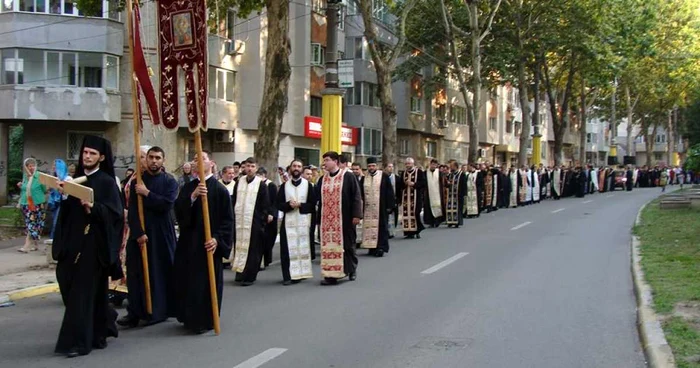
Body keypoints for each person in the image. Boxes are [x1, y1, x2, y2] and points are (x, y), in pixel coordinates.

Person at [52, 135, 123, 357]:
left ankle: (79, 343)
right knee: (65, 280)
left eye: (92, 154)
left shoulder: (107, 182)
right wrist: (64, 196)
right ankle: (104, 320)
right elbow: (67, 216)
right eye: (85, 153)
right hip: (72, 243)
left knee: (81, 295)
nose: (87, 157)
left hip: (94, 245)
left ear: (101, 157)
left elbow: (115, 215)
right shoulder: (75, 179)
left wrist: (93, 207)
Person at [117, 147, 178, 328]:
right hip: (140, 234)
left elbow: (166, 205)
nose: (153, 161)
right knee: (136, 273)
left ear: (163, 161)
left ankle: (159, 311)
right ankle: (135, 311)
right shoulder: (138, 181)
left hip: (161, 233)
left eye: (157, 158)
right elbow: (133, 211)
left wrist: (147, 194)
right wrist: (138, 233)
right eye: (150, 157)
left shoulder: (170, 182)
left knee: (159, 271)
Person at [173, 150, 233, 334]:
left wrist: (217, 239)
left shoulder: (220, 189)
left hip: (208, 245)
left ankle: (204, 320)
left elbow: (227, 221)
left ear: (211, 163)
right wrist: (192, 197)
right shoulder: (188, 188)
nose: (197, 161)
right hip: (189, 243)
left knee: (205, 283)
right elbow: (178, 212)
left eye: (202, 158)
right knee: (187, 280)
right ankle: (187, 317)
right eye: (194, 159)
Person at [316, 151, 362, 285]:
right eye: (324, 161)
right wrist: (318, 220)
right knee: (328, 248)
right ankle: (330, 275)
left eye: (327, 160)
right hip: (327, 221)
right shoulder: (322, 179)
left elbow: (356, 196)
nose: (324, 163)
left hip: (345, 218)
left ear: (335, 162)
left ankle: (351, 269)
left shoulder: (348, 176)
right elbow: (318, 199)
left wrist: (356, 215)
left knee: (348, 245)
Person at [230, 159, 270, 286]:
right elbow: (234, 199)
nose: (249, 169)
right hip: (240, 221)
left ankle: (250, 275)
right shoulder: (239, 182)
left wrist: (261, 221)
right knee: (240, 246)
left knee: (253, 249)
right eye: (247, 166)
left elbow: (264, 204)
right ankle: (240, 272)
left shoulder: (261, 184)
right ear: (244, 168)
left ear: (256, 168)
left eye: (252, 166)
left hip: (254, 222)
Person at [277, 160, 316, 285]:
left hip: (303, 222)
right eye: (294, 166)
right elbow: (278, 204)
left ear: (301, 169)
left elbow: (312, 204)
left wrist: (300, 205)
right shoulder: (284, 186)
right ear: (290, 168)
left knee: (303, 247)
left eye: (299, 166)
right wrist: (288, 205)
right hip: (288, 222)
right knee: (286, 249)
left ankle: (301, 273)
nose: (296, 168)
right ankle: (287, 276)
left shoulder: (308, 185)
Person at [359, 157, 395, 257]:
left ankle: (380, 248)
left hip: (381, 208)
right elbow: (360, 193)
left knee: (381, 228)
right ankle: (371, 247)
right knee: (368, 228)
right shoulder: (364, 177)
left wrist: (390, 206)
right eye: (369, 166)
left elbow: (389, 192)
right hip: (368, 209)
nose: (371, 167)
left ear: (377, 166)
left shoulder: (383, 176)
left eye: (373, 166)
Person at [18, 158, 48, 253]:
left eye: (33, 165)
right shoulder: (25, 176)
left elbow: (44, 189)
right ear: (25, 167)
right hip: (26, 203)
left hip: (37, 203)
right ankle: (32, 245)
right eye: (29, 166)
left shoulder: (38, 176)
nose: (31, 168)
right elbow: (25, 188)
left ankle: (29, 245)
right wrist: (21, 186)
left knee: (35, 223)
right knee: (30, 223)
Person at [396, 157, 425, 239]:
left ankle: (417, 231)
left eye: (409, 163)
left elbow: (423, 183)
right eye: (406, 164)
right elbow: (400, 185)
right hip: (406, 197)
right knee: (406, 214)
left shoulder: (418, 172)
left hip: (416, 197)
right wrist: (405, 184)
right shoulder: (403, 173)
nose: (408, 165)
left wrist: (414, 184)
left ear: (413, 164)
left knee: (415, 214)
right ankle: (408, 232)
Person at [257, 167, 278, 270]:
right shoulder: (256, 185)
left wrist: (272, 213)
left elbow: (274, 201)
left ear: (264, 175)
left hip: (270, 216)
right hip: (260, 214)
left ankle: (266, 259)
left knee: (268, 238)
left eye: (260, 175)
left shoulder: (271, 185)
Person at [48, 159, 71, 242]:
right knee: (54, 223)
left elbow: (67, 194)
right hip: (54, 203)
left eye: (55, 165)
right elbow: (49, 191)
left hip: (63, 203)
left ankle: (53, 243)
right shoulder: (53, 177)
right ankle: (53, 243)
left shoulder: (67, 178)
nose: (53, 167)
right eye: (53, 165)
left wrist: (60, 187)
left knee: (56, 223)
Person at [423, 159, 445, 228]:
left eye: (435, 164)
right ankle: (430, 222)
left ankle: (437, 221)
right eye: (432, 164)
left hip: (438, 193)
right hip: (429, 194)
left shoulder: (439, 173)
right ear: (430, 164)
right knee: (429, 208)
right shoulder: (425, 172)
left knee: (438, 207)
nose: (433, 166)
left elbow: (442, 183)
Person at [444, 160, 466, 228]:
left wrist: (463, 194)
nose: (450, 168)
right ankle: (450, 221)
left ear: (456, 166)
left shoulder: (461, 174)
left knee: (458, 208)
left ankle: (457, 222)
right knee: (449, 208)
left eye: (452, 166)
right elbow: (446, 184)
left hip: (458, 195)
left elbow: (464, 185)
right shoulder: (450, 174)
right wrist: (447, 184)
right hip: (450, 195)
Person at [302, 166, 318, 259]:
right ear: (302, 174)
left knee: (310, 233)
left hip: (310, 213)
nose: (309, 176)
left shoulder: (313, 186)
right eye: (307, 174)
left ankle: (310, 254)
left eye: (310, 174)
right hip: (300, 212)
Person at [384, 163, 398, 239]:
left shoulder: (396, 178)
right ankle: (387, 232)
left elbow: (399, 189)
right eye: (389, 166)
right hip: (386, 200)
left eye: (392, 167)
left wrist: (398, 200)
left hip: (395, 199)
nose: (391, 168)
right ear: (385, 168)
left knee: (394, 216)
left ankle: (392, 231)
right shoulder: (383, 177)